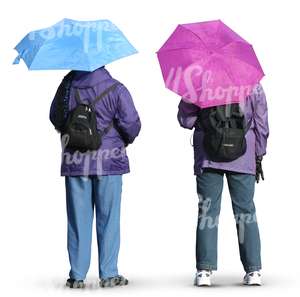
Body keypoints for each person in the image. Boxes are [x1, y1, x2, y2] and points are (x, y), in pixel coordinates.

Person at [50, 66, 141, 288]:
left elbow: (54, 117)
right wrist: (122, 140)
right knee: (108, 218)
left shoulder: (66, 88)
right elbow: (132, 125)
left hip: (75, 161)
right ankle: (109, 274)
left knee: (78, 220)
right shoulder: (116, 89)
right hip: (109, 162)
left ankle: (77, 276)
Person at [177, 84, 269, 286]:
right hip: (243, 155)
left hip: (208, 156)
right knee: (245, 211)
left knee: (207, 211)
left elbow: (186, 120)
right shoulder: (253, 85)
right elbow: (261, 122)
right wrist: (259, 153)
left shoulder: (200, 83)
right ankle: (253, 271)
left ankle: (204, 271)